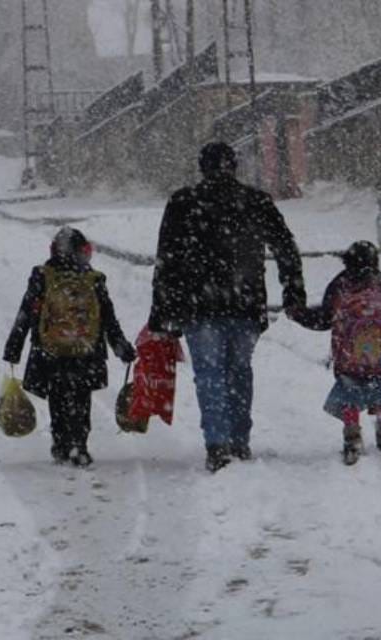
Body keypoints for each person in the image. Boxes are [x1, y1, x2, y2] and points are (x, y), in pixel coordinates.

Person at [147, 141, 306, 473]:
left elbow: (168, 261)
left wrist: (161, 314)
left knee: (209, 376)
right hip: (246, 303)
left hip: (199, 305)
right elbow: (285, 247)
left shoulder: (183, 203)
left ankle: (217, 443)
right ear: (234, 166)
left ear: (201, 167)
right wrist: (293, 292)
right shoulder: (255, 201)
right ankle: (239, 438)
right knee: (239, 372)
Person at [4, 227, 136, 467]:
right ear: (83, 251)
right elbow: (108, 318)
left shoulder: (43, 276)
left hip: (50, 351)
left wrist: (14, 346)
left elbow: (26, 312)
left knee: (58, 397)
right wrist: (120, 346)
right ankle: (79, 443)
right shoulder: (93, 279)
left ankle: (60, 443)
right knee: (81, 398)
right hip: (86, 352)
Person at [291, 241, 381, 465]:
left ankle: (352, 434)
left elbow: (323, 320)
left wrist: (298, 314)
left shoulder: (339, 287)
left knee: (349, 395)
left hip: (348, 360)